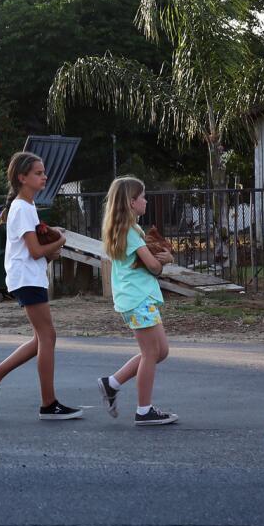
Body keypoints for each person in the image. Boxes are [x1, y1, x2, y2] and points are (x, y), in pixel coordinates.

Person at [0, 152, 81, 420]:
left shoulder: (27, 207)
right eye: (38, 173)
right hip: (26, 277)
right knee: (48, 337)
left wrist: (50, 247)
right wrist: (60, 242)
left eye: (43, 172)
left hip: (29, 277)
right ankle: (48, 404)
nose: (44, 176)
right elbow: (34, 251)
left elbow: (35, 250)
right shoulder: (21, 207)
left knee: (41, 339)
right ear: (22, 177)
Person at [96, 176, 178, 426]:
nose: (146, 200)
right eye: (142, 196)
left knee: (159, 351)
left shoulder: (129, 230)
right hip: (137, 298)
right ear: (132, 202)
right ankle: (144, 409)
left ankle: (112, 383)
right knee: (151, 353)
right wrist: (166, 260)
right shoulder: (130, 232)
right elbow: (153, 266)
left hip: (139, 298)